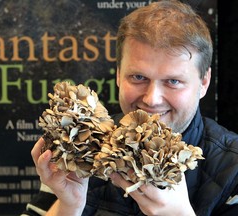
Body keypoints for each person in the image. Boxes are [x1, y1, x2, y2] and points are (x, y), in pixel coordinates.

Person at [22, 0, 238, 215]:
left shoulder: (233, 168)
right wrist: (69, 206)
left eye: (173, 81)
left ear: (204, 82)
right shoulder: (81, 145)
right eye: (138, 77)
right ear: (118, 75)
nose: (152, 100)